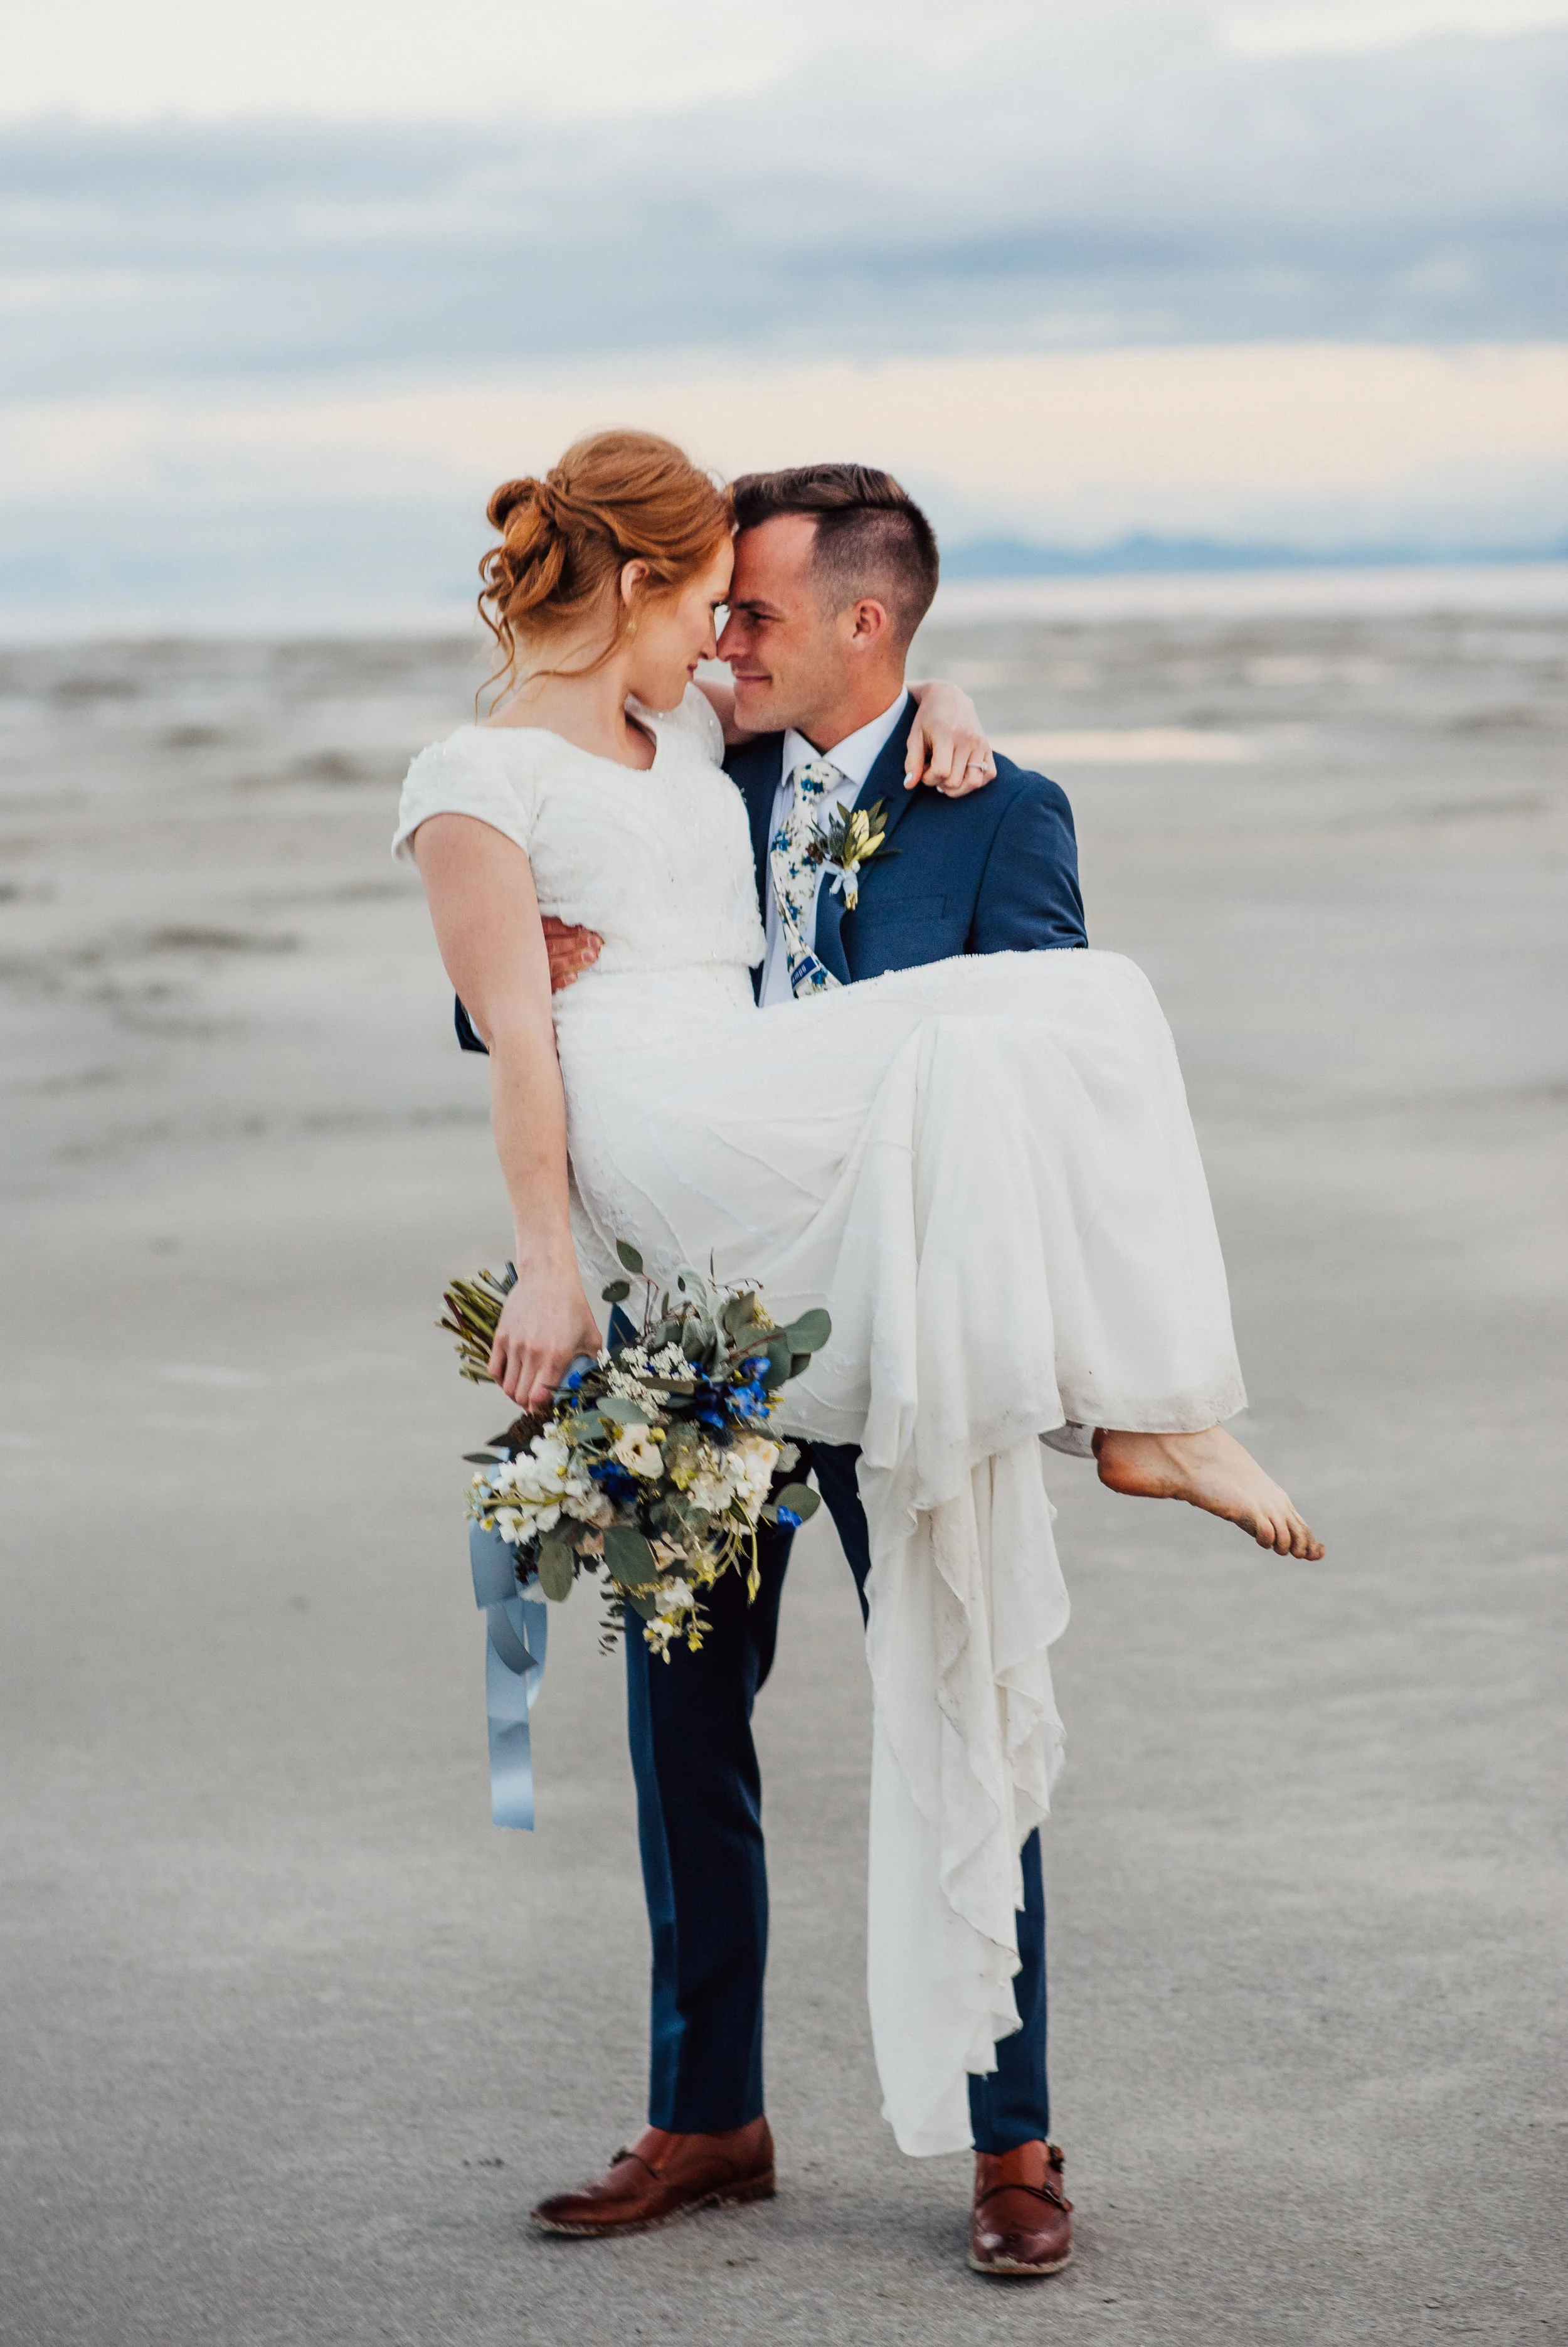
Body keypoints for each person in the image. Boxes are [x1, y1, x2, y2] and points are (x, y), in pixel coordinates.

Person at [396, 430, 1322, 2278]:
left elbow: (1042, 1103)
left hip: (910, 1333)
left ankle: (1012, 2140)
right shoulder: (695, 763)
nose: (727, 641)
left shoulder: (999, 807)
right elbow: (522, 960)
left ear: (865, 619)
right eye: (713, 606)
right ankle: (704, 2113)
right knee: (682, 1727)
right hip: (699, 1322)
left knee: (969, 1699)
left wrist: (944, 714)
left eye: (758, 612)